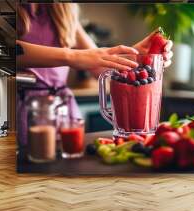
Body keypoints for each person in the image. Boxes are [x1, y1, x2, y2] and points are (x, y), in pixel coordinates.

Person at [16, 3, 173, 146]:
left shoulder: (62, 10)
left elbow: (99, 66)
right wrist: (74, 56)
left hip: (63, 110)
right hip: (24, 109)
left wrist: (137, 54)